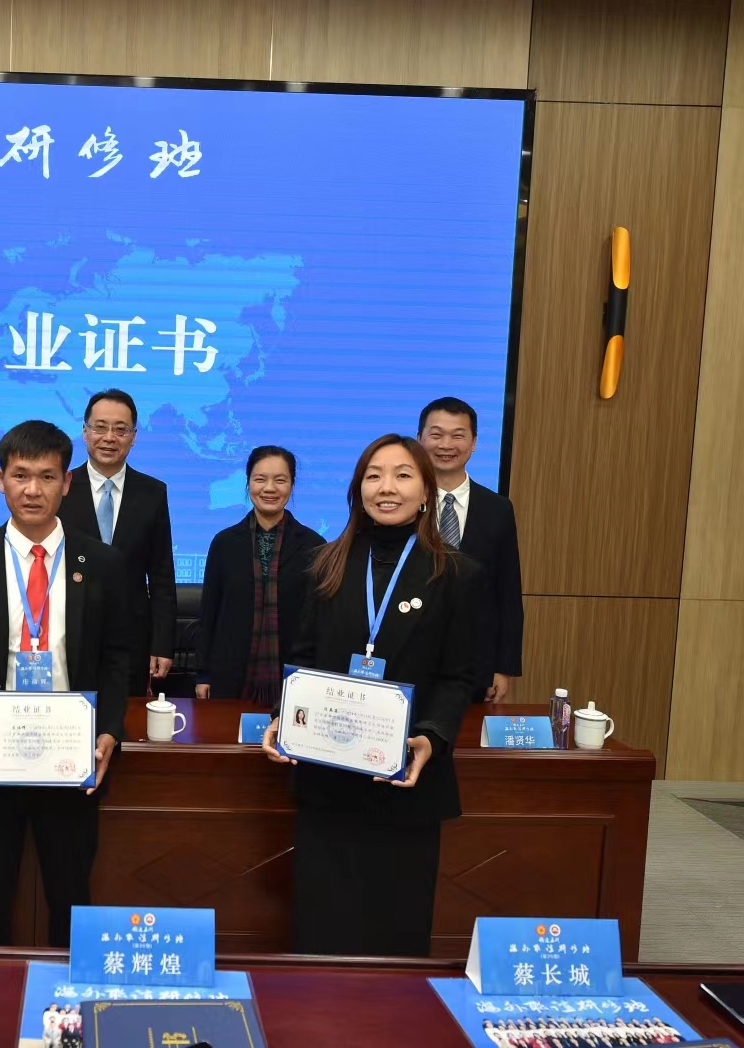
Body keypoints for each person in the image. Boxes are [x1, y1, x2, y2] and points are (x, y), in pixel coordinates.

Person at [263, 433, 484, 956]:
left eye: (403, 475)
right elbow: (303, 658)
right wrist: (283, 717)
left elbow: (459, 676)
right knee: (323, 923)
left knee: (395, 929)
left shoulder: (457, 574)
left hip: (405, 778)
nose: (387, 488)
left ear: (426, 492)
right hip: (329, 777)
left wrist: (432, 737)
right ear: (357, 489)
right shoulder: (324, 565)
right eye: (374, 475)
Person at [0, 420, 132, 946]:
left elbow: (117, 656)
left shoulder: (102, 563)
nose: (33, 490)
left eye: (46, 476)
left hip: (70, 751)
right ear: (0, 479)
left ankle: (71, 994)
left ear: (67, 482)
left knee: (71, 896)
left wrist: (109, 729)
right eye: (21, 476)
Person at [61, 389, 177, 696]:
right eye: (100, 427)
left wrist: (162, 643)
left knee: (126, 719)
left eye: (120, 429)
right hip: (69, 634)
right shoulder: (61, 487)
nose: (109, 438)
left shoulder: (153, 493)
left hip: (131, 639)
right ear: (85, 432)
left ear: (133, 436)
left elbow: (162, 576)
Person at [193, 446, 325, 704]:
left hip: (294, 678)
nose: (269, 488)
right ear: (248, 483)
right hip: (229, 673)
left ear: (292, 485)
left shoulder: (314, 546)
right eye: (260, 479)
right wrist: (203, 674)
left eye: (280, 480)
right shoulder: (224, 543)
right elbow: (209, 614)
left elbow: (319, 623)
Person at [418, 397, 523, 703]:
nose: (446, 444)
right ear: (419, 438)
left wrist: (504, 667)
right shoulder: (401, 504)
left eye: (458, 435)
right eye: (436, 434)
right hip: (407, 657)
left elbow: (507, 591)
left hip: (474, 663)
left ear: (474, 442)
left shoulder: (498, 509)